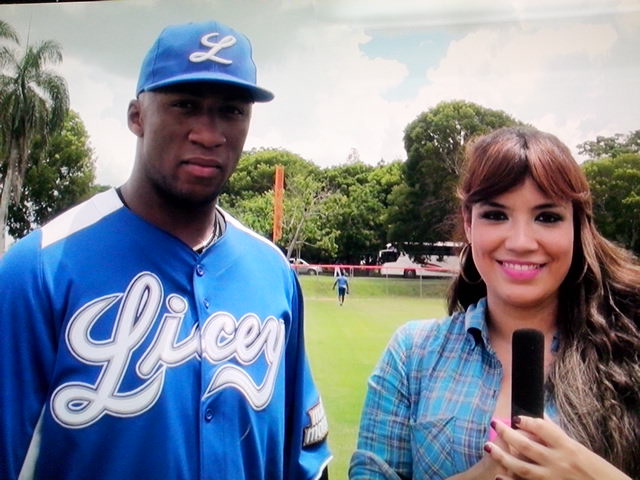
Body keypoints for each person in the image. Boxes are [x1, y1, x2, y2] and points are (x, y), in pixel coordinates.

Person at [0, 20, 331, 480]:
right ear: (137, 116)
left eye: (231, 111)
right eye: (185, 105)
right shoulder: (40, 267)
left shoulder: (272, 271)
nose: (209, 134)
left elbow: (304, 458)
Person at [350, 127, 640, 479]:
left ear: (577, 228)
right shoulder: (413, 355)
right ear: (468, 223)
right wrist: (488, 471)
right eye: (496, 215)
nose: (520, 242)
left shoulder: (631, 349)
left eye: (547, 217)